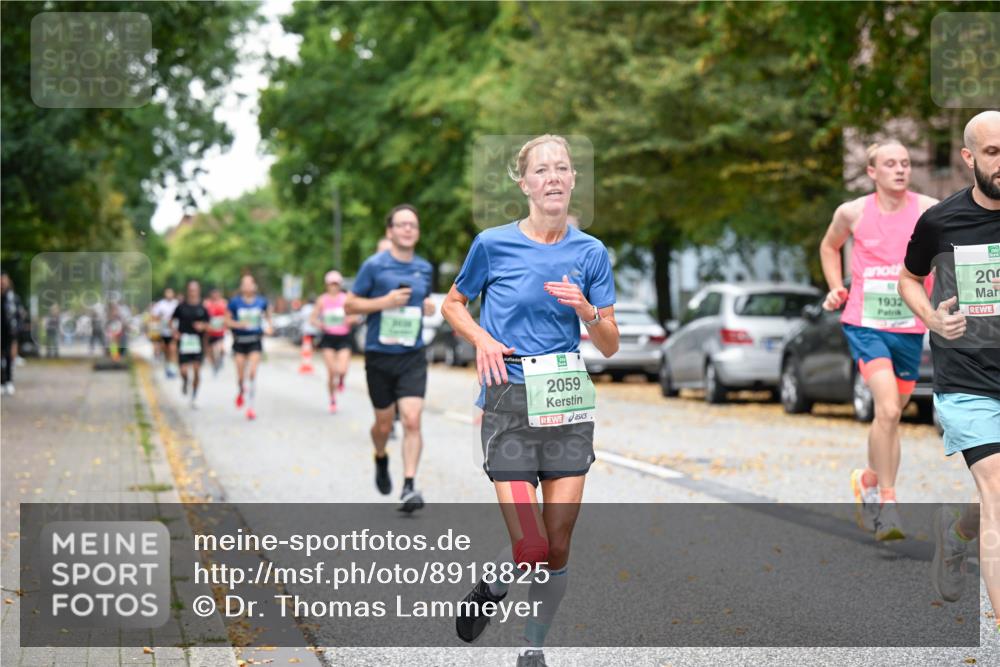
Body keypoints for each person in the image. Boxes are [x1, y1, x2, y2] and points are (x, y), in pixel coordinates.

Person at [441, 134, 619, 666]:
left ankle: (532, 649)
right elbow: (453, 304)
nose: (554, 177)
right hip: (508, 402)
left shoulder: (591, 252)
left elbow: (610, 344)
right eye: (542, 170)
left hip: (566, 403)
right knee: (532, 548)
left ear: (572, 181)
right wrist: (483, 339)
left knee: (558, 547)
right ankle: (493, 588)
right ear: (524, 184)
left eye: (562, 168)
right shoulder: (492, 244)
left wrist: (588, 311)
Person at [898, 110, 1000, 626]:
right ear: (969, 158)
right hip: (968, 380)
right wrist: (932, 318)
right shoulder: (941, 220)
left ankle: (958, 534)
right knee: (998, 487)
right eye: (993, 153)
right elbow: (909, 280)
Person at [819, 140, 939, 541]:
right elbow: (829, 246)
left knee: (892, 414)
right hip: (865, 323)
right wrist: (837, 287)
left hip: (910, 324)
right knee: (887, 409)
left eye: (905, 163)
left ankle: (868, 478)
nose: (900, 170)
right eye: (890, 164)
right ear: (872, 171)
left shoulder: (928, 210)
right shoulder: (852, 212)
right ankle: (887, 503)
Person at [345, 204, 435, 513]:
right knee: (383, 426)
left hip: (412, 355)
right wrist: (384, 302)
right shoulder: (374, 266)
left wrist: (426, 307)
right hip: (379, 356)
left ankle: (409, 486)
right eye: (402, 224)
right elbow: (349, 306)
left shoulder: (424, 268)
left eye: (413, 225)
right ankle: (380, 456)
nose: (408, 229)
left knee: (412, 419)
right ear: (390, 231)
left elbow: (422, 300)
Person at [226, 274, 272, 420]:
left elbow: (269, 318)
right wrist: (239, 324)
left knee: (252, 373)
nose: (247, 287)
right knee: (240, 377)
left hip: (255, 341)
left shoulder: (261, 302)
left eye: (249, 284)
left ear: (254, 286)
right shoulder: (234, 303)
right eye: (244, 284)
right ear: (241, 287)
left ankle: (250, 407)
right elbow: (226, 321)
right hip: (239, 341)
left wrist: (269, 327)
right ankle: (241, 390)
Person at [310, 271, 358, 413]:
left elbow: (356, 316)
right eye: (331, 284)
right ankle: (332, 400)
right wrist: (321, 325)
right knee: (331, 372)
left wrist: (351, 320)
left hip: (344, 337)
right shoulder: (322, 300)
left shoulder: (345, 299)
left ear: (340, 285)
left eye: (336, 284)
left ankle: (342, 380)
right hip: (328, 338)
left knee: (342, 369)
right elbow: (312, 319)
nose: (333, 287)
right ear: (327, 285)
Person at [173, 280, 210, 409]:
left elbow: (208, 324)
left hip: (197, 344)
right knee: (183, 370)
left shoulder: (202, 307)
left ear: (198, 291)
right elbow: (171, 321)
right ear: (188, 291)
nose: (193, 292)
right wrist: (175, 332)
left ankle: (193, 396)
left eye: (195, 290)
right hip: (184, 342)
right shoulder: (181, 306)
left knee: (196, 370)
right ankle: (184, 381)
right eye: (191, 289)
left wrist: (202, 326)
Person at [152, 288, 179, 378]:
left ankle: (173, 369)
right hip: (163, 331)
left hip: (174, 331)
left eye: (170, 293)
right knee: (166, 350)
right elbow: (154, 316)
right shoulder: (160, 304)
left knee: (173, 349)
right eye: (167, 293)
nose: (169, 295)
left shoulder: (176, 304)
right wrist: (161, 319)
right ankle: (168, 367)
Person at [1, 272, 20, 395]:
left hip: (9, 332)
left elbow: (18, 316)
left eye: (4, 280)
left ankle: (8, 382)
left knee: (8, 358)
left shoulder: (12, 298)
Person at [203, 287, 228, 375]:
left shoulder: (223, 303)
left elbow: (227, 315)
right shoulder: (207, 304)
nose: (215, 296)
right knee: (211, 351)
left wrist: (226, 325)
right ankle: (214, 364)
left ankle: (220, 359)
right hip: (210, 332)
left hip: (220, 330)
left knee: (221, 348)